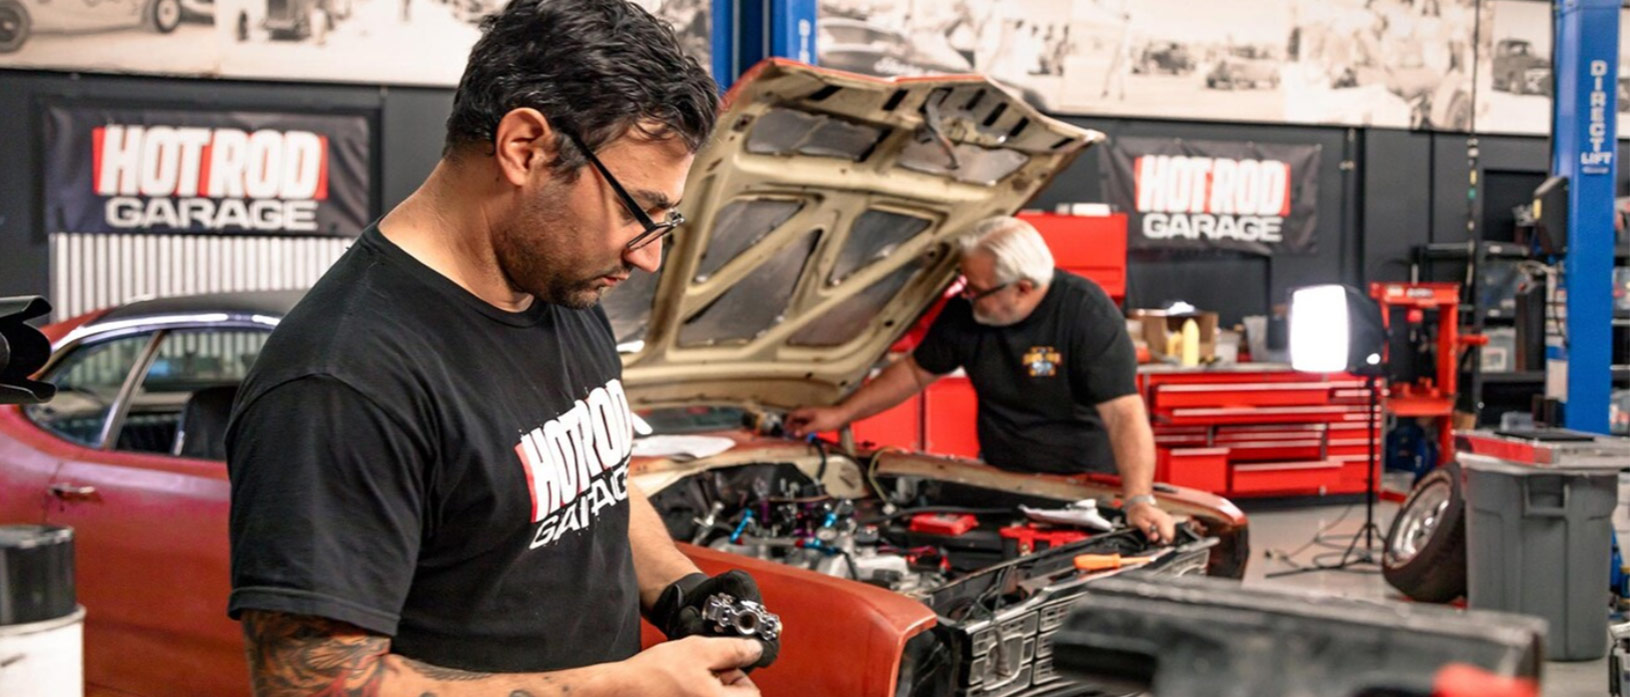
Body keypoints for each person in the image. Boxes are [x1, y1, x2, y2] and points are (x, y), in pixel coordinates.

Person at [224, 1, 776, 695]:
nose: (648, 259)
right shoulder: (344, 380)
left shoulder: (557, 285)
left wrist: (681, 591)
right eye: (640, 212)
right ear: (525, 148)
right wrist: (622, 688)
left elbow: (593, 482)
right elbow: (313, 683)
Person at [787, 216, 1178, 543]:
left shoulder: (1085, 313)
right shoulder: (969, 313)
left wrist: (1138, 498)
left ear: (1023, 288)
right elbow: (914, 371)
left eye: (976, 289)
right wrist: (840, 414)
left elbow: (1124, 414)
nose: (966, 296)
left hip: (1079, 488)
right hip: (998, 477)